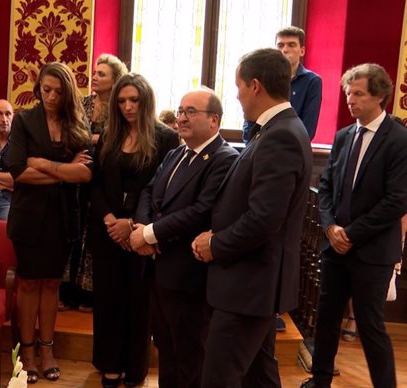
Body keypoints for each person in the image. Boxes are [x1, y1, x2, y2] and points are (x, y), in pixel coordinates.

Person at [192, 48, 312, 387]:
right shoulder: (277, 129)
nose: (237, 94)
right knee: (259, 378)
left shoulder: (281, 136)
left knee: (219, 378)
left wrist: (216, 244)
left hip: (249, 284)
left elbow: (263, 218)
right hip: (254, 283)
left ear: (256, 86)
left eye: (239, 86)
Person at [301, 63, 407, 388]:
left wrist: (351, 234)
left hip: (372, 251)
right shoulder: (344, 135)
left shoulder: (399, 139)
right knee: (327, 318)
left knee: (371, 326)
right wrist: (332, 227)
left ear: (379, 96)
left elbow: (397, 200)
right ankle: (319, 382)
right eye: (348, 93)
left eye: (358, 93)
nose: (350, 100)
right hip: (336, 246)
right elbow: (328, 186)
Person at [131, 88, 238, 388]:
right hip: (158, 268)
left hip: (189, 274)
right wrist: (142, 229)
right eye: (180, 111)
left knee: (190, 354)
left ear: (214, 120)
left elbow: (201, 211)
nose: (182, 118)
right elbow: (149, 191)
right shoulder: (176, 153)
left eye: (191, 112)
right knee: (165, 347)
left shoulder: (224, 158)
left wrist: (148, 234)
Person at [87, 73, 178, 387]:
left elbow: (164, 188)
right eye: (122, 100)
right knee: (108, 300)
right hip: (107, 230)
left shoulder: (166, 138)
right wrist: (111, 220)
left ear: (146, 101)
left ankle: (135, 369)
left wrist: (133, 224)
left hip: (143, 232)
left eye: (134, 100)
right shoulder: (109, 134)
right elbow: (95, 184)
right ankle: (109, 365)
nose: (127, 106)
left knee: (139, 303)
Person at [6, 61, 92, 384]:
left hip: (63, 216)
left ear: (67, 92)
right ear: (38, 88)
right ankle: (27, 353)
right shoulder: (25, 120)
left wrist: (43, 163)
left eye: (58, 91)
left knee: (52, 284)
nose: (51, 96)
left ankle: (47, 350)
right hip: (28, 217)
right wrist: (63, 170)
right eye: (46, 90)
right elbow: (18, 171)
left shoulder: (76, 123)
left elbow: (84, 173)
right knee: (28, 283)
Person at [60, 53, 128, 312]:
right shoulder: (82, 104)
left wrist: (95, 141)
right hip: (78, 173)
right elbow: (71, 133)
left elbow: (120, 140)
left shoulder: (119, 107)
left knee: (94, 234)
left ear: (115, 79)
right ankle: (68, 291)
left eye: (102, 74)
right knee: (74, 230)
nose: (95, 77)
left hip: (107, 176)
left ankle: (90, 293)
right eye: (95, 72)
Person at [242, 26, 322, 143]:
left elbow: (307, 129)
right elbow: (250, 119)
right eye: (280, 45)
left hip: (290, 149)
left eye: (291, 45)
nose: (284, 50)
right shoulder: (262, 78)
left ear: (302, 51)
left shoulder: (312, 81)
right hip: (258, 146)